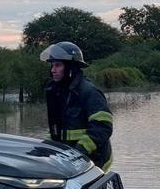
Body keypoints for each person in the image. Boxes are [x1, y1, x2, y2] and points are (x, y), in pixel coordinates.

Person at [40, 41, 114, 171]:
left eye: (58, 65)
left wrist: (79, 151)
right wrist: (43, 147)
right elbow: (55, 128)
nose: (53, 70)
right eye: (52, 65)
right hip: (70, 159)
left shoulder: (89, 92)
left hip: (94, 160)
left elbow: (102, 127)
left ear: (70, 67)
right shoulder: (58, 92)